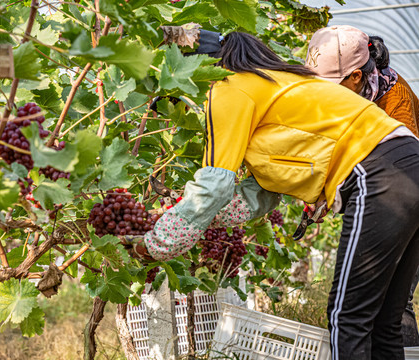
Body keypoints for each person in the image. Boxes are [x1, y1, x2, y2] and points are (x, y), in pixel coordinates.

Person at [138, 32, 419, 360]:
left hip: (377, 174)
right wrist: (191, 217)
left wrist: (158, 242)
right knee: (384, 320)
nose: (183, 104)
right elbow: (262, 194)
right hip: (407, 166)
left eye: (174, 96)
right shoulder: (277, 82)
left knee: (348, 318)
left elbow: (214, 186)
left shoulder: (229, 88)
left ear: (191, 73)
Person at [306, 25, 419, 348]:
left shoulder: (394, 97)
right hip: (394, 189)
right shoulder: (352, 97)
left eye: (330, 85)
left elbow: (399, 166)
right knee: (382, 315)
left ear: (356, 76)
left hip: (406, 195)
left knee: (385, 309)